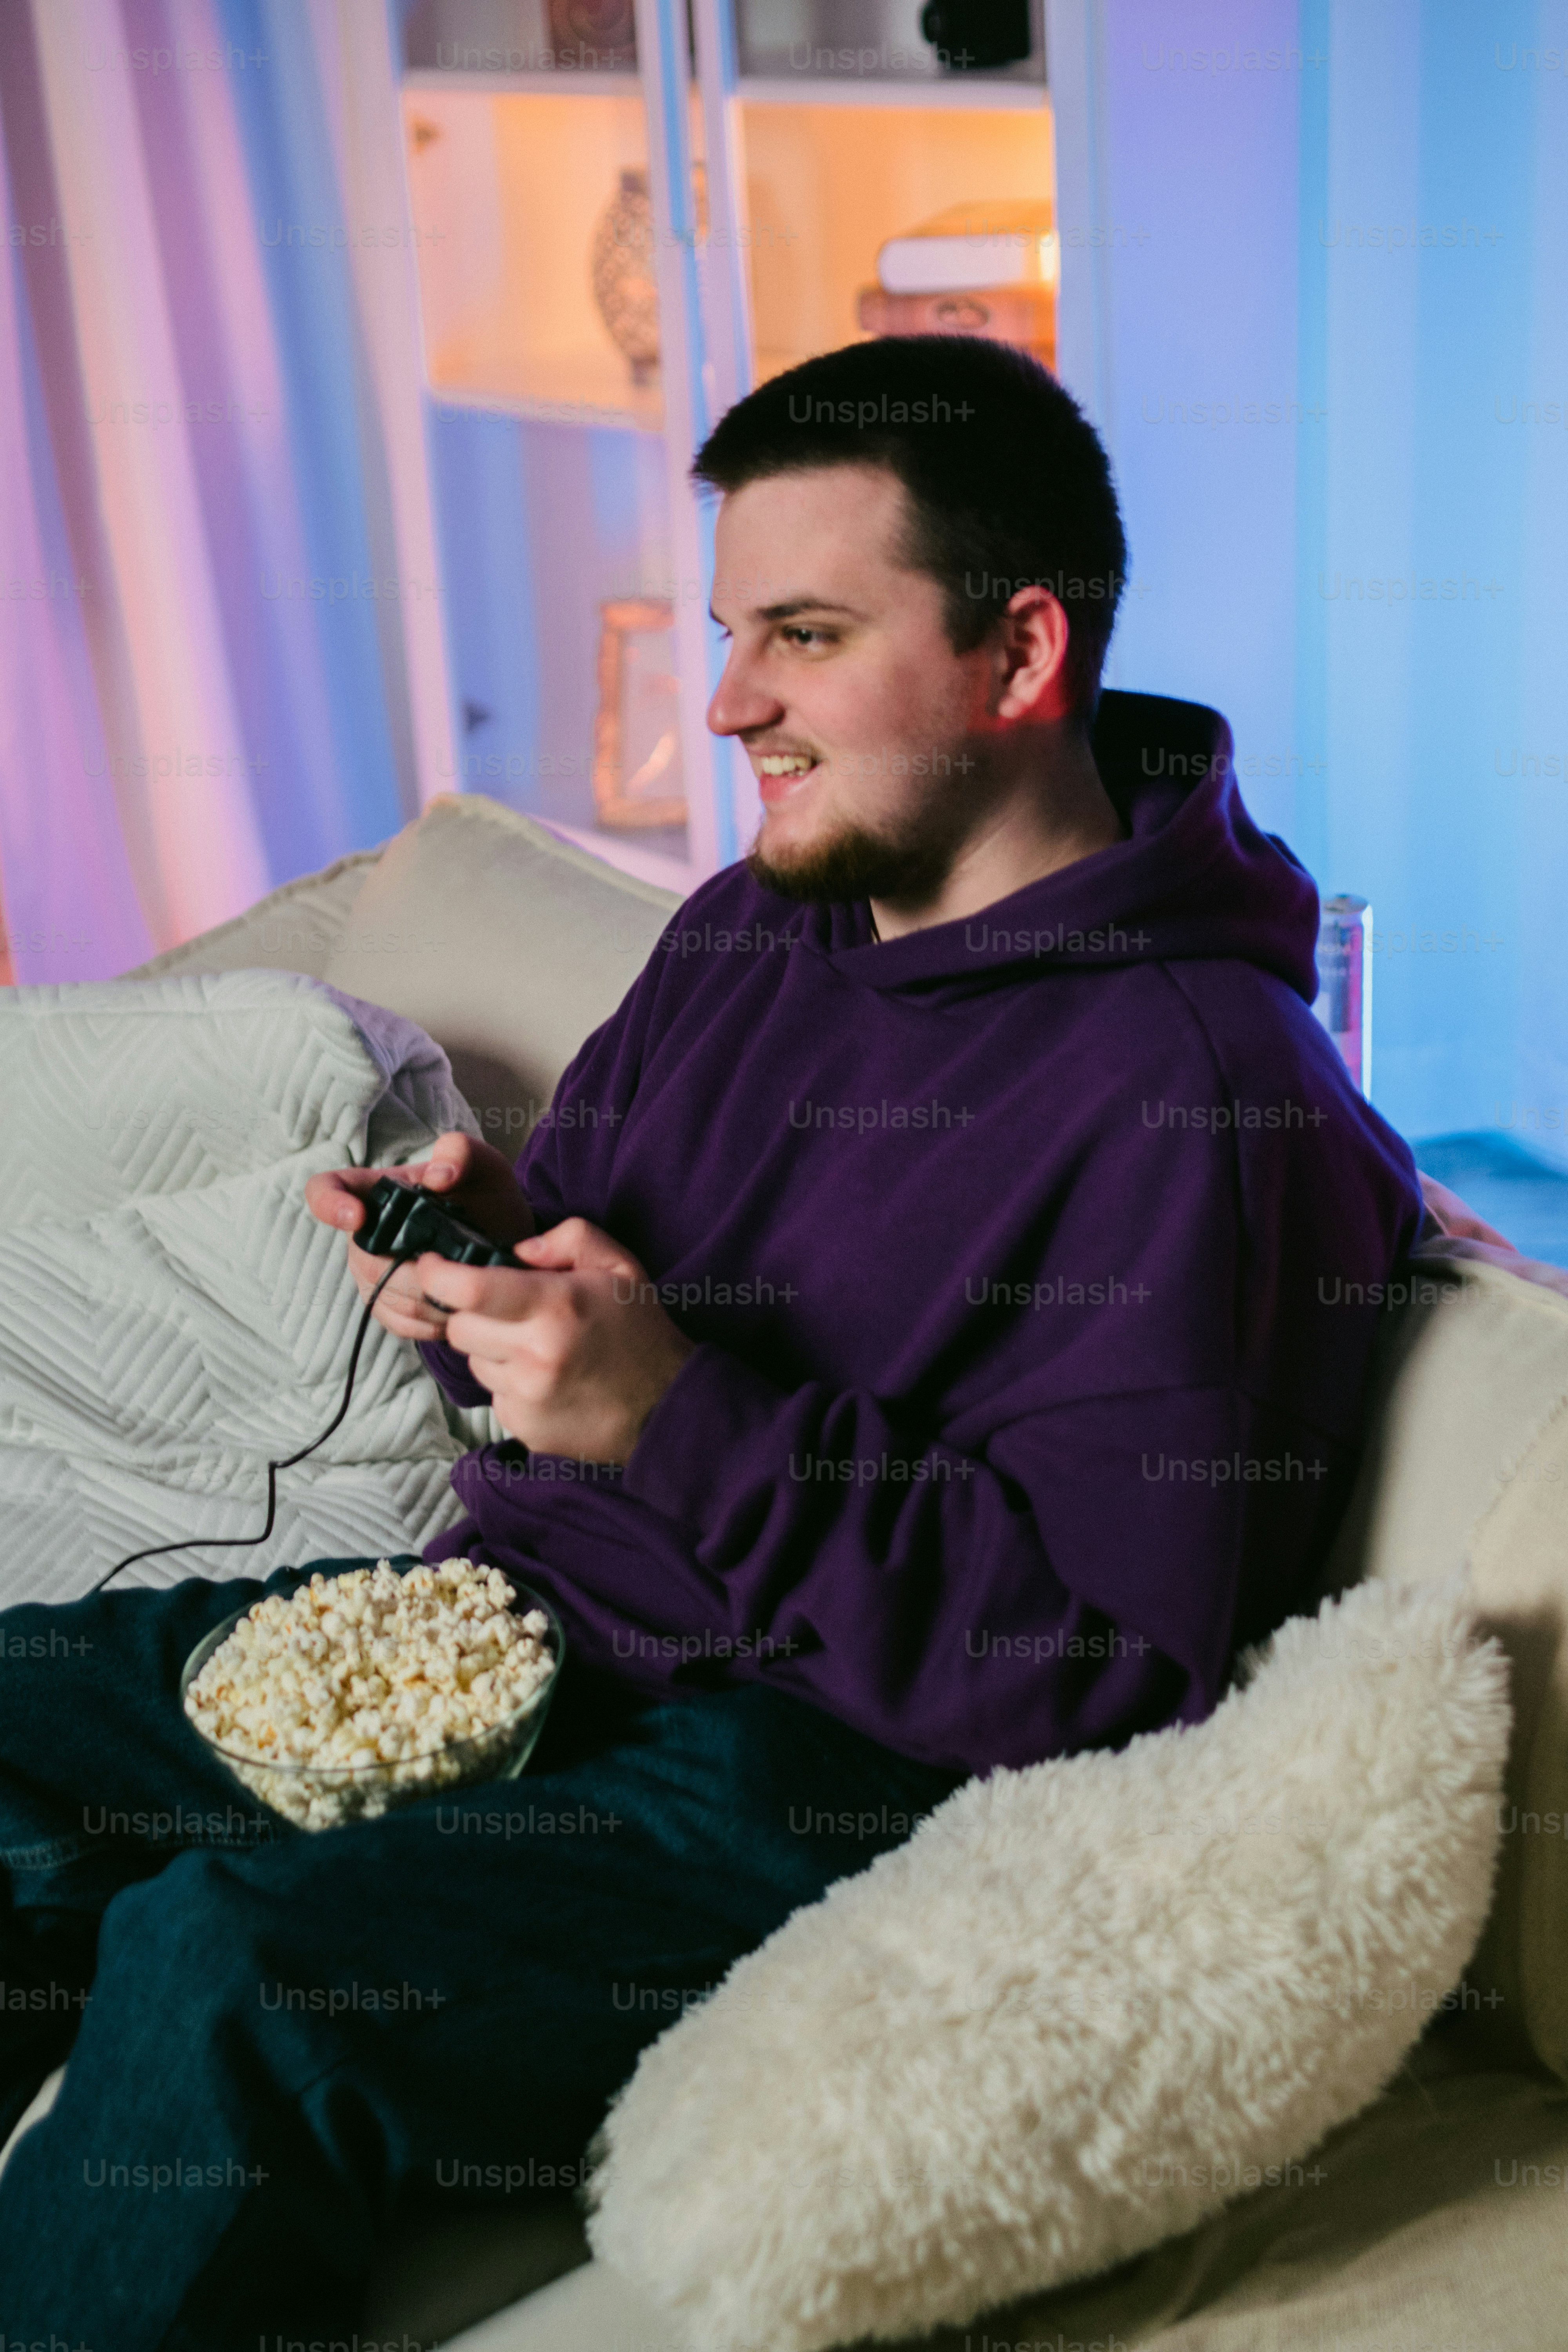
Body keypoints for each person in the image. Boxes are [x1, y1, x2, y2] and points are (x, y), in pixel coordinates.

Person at [0, 336, 1421, 2344]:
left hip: (792, 1767)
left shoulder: (1209, 1100)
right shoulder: (765, 922)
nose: (730, 700)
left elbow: (1101, 1670)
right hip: (498, 1632)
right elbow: (597, 1274)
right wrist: (486, 1279)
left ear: (1019, 657)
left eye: (808, 634)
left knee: (231, 1967)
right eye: (737, 626)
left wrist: (670, 1417)